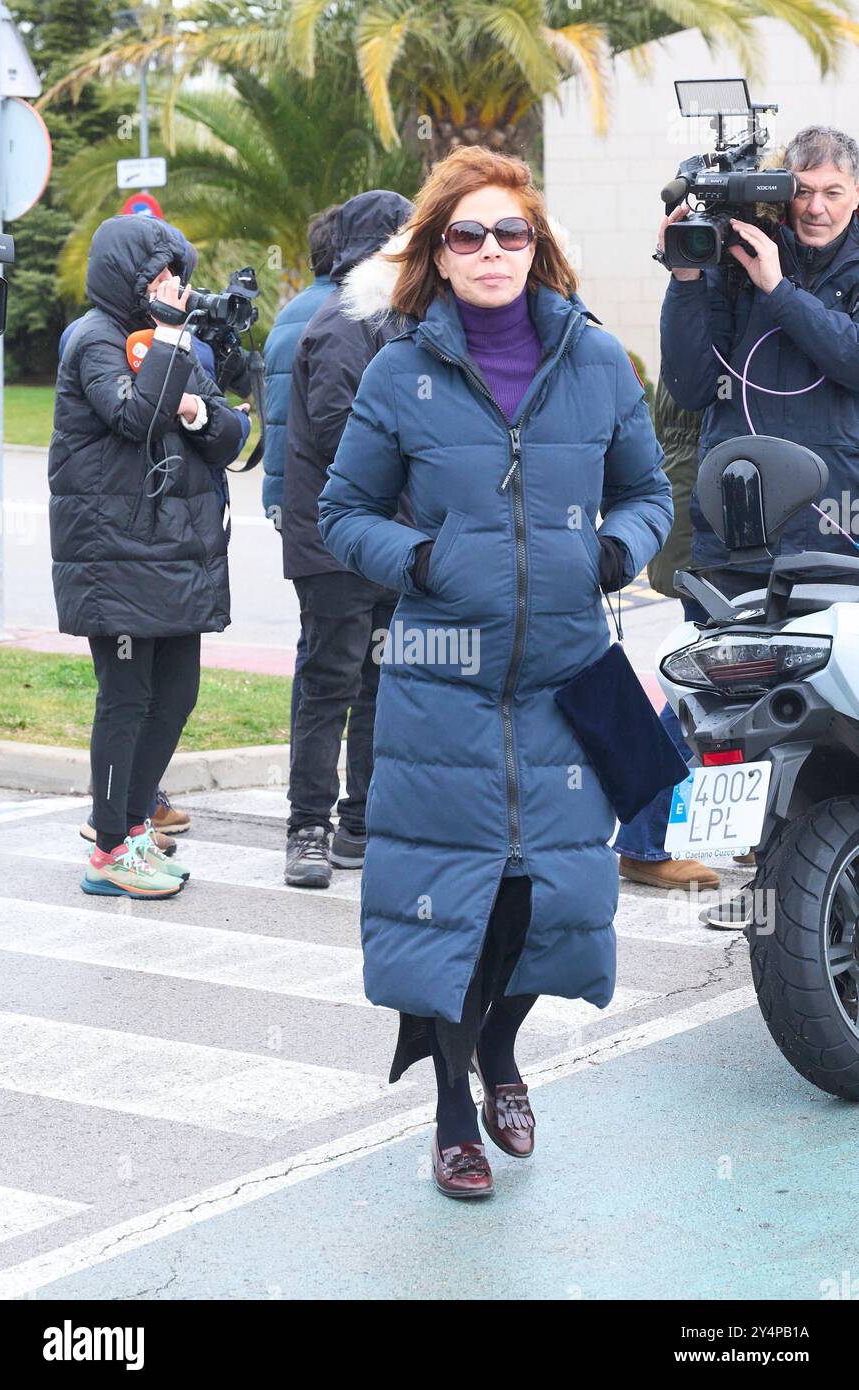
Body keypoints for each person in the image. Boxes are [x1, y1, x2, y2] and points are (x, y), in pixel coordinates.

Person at [317, 146, 672, 1198]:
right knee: (450, 907)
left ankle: (501, 1046)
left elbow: (646, 490)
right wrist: (421, 559)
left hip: (566, 676)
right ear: (436, 249)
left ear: (535, 247)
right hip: (442, 680)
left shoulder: (595, 361)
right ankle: (449, 1115)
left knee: (541, 902)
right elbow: (338, 514)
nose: (487, 251)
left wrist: (611, 552)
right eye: (464, 233)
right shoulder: (399, 372)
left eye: (506, 232)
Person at [658, 124, 859, 927]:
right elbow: (686, 378)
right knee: (734, 717)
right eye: (800, 191)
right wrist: (686, 275)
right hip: (737, 525)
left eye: (832, 192)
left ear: (857, 191)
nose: (813, 207)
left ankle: (818, 882)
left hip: (836, 526)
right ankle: (758, 884)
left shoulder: (786, 268)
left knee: (831, 717)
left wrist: (779, 291)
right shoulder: (737, 250)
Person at [49, 214, 246, 897]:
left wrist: (198, 415)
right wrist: (167, 338)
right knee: (127, 699)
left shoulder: (172, 340)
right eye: (160, 276)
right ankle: (107, 849)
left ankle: (134, 828)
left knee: (177, 696)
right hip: (116, 554)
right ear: (128, 278)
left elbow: (226, 433)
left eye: (176, 276)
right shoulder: (93, 341)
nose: (174, 287)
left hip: (175, 551)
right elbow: (133, 416)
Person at [282, 190, 414, 888]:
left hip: (383, 540)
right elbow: (343, 436)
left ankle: (359, 821)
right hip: (335, 545)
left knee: (379, 683)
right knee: (329, 685)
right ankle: (308, 826)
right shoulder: (341, 325)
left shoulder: (390, 318)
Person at [613, 377, 719, 891]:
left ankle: (741, 823)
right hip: (719, 524)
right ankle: (645, 838)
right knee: (703, 686)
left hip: (714, 513)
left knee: (737, 681)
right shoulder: (743, 307)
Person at [263, 206, 339, 746]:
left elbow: (275, 419)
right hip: (341, 507)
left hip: (293, 502)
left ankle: (306, 764)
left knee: (315, 649)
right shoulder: (351, 315)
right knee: (361, 658)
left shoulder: (290, 315)